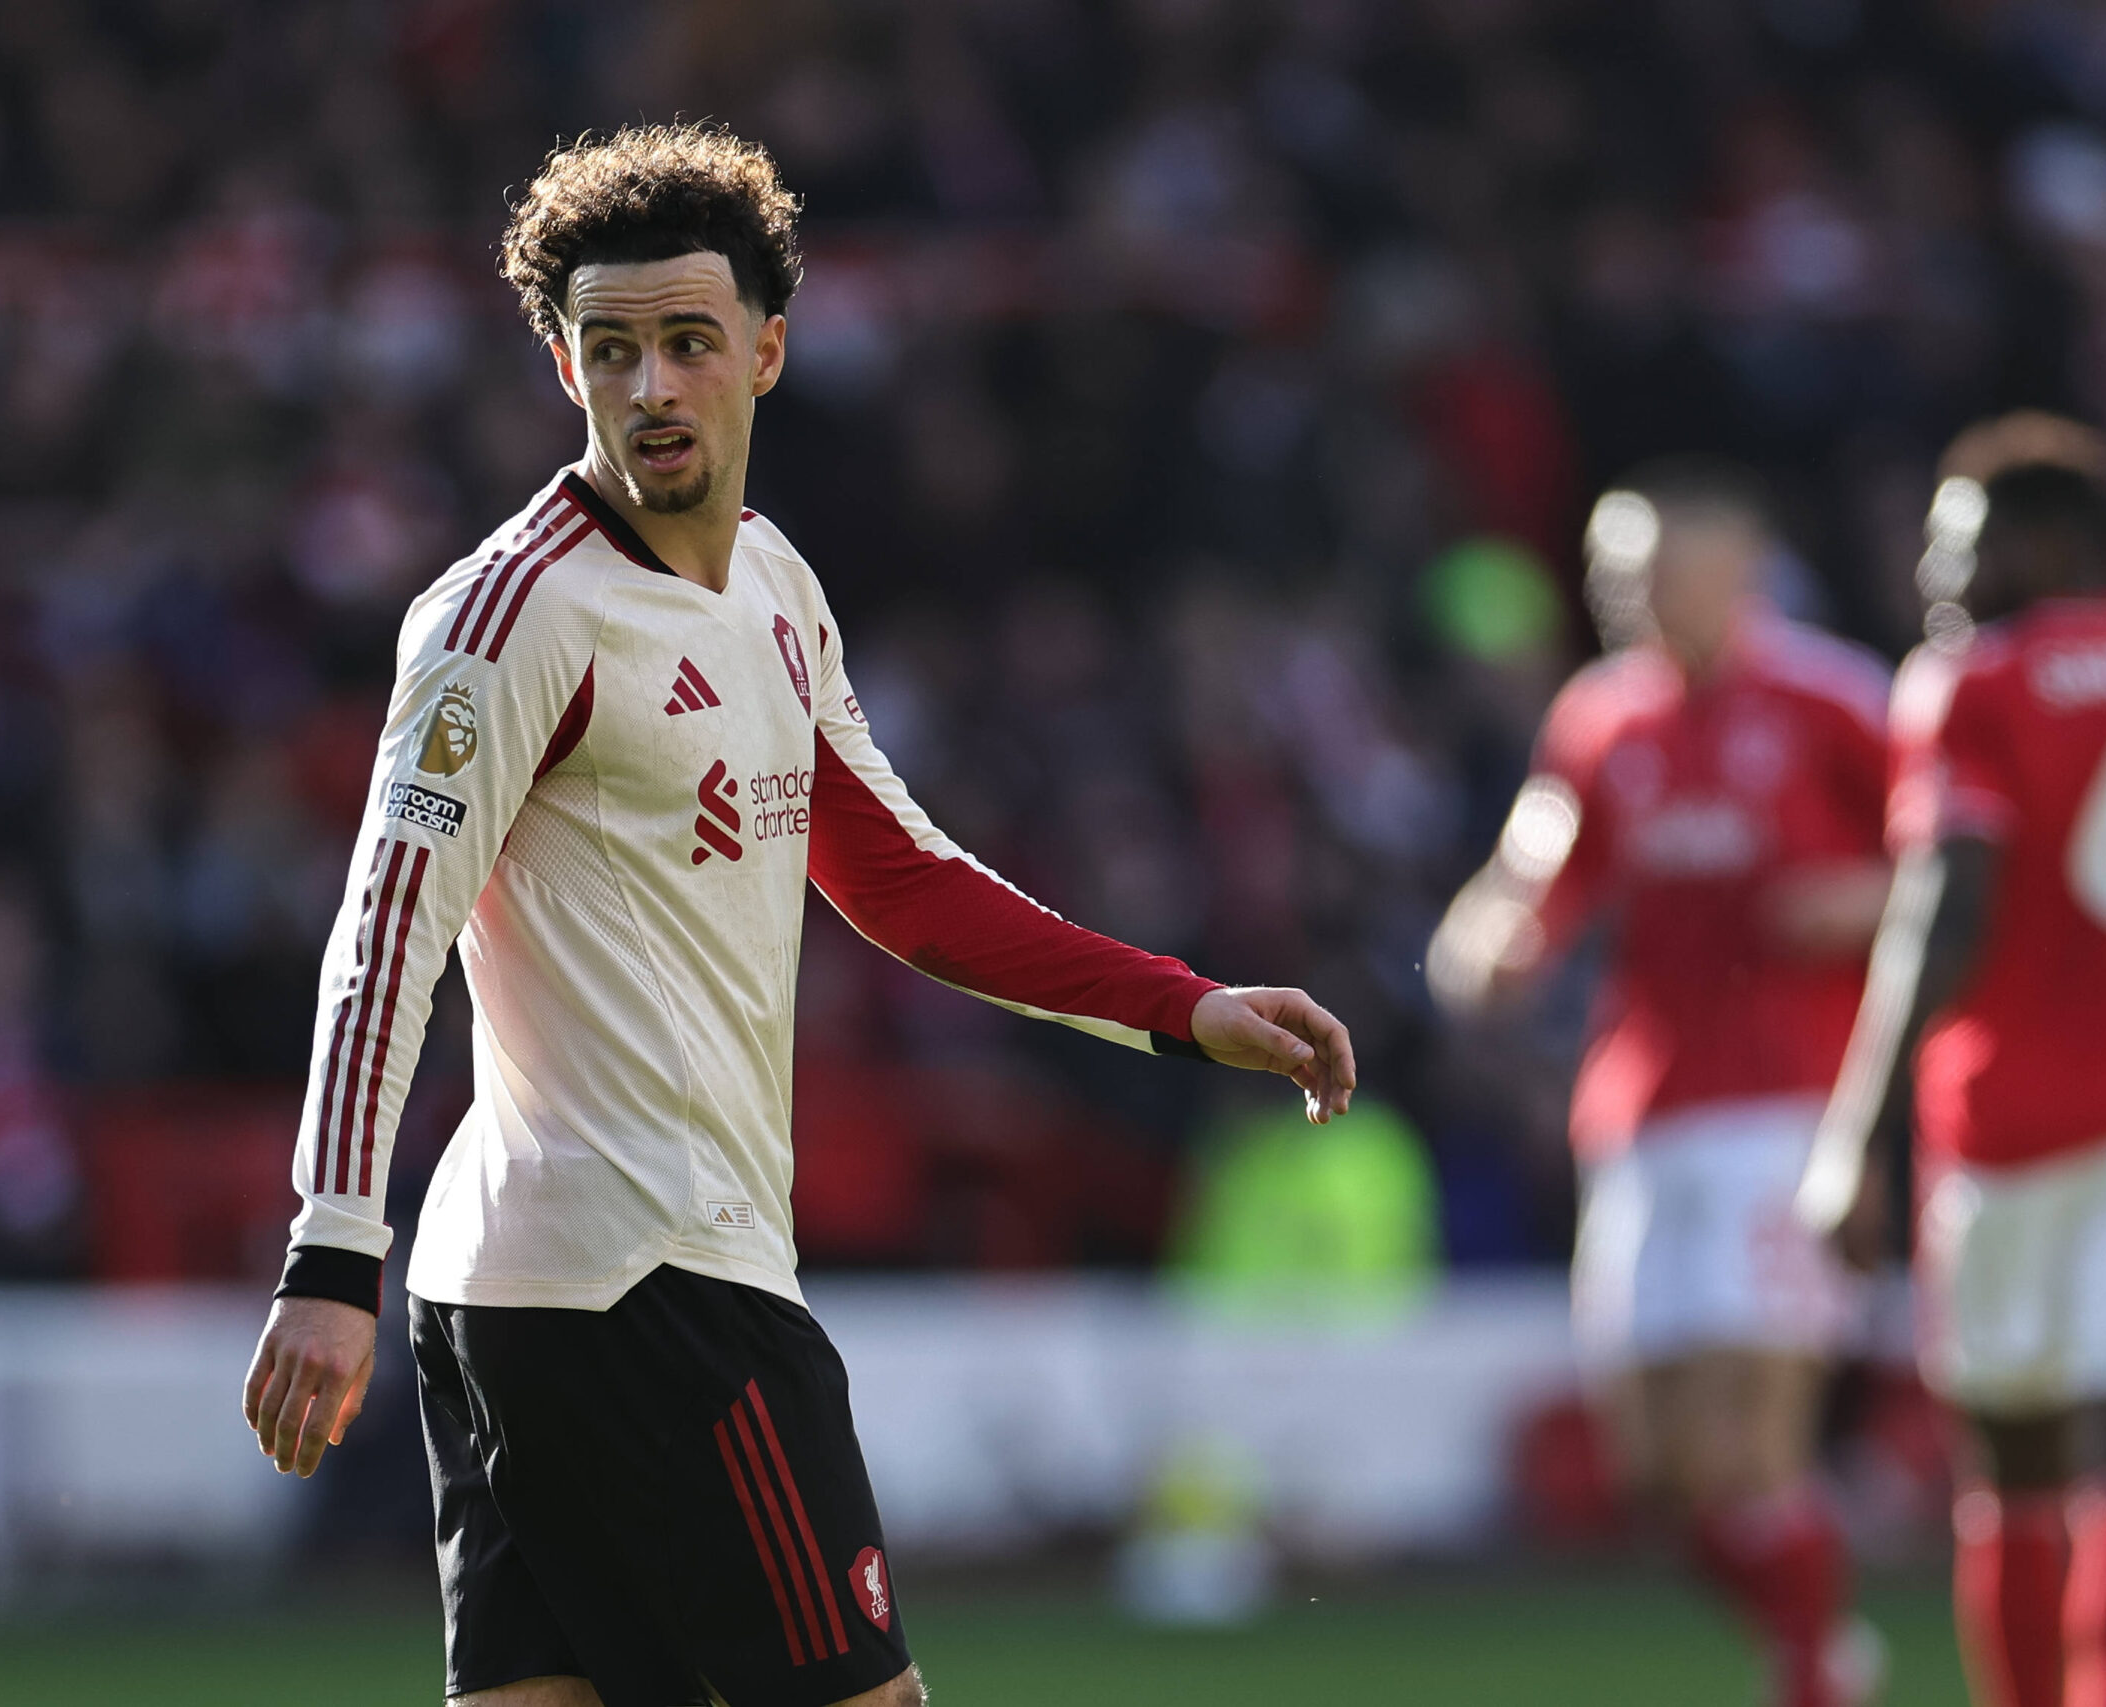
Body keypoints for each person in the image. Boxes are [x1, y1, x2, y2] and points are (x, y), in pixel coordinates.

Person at [237, 124, 1355, 1707]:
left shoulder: (772, 586)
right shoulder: (510, 616)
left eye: (689, 342)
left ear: (766, 349)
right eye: (610, 349)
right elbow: (384, 932)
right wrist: (331, 1246)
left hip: (548, 1288)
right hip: (647, 1275)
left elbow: (900, 876)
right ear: (562, 365)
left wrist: (1181, 1004)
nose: (652, 386)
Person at [1428, 460, 1892, 1707]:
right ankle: (1820, 1644)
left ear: (1740, 570)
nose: (1625, 596)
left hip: (1787, 1106)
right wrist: (1487, 941)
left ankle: (1812, 1673)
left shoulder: (1833, 699)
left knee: (1752, 1434)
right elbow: (1533, 875)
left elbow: (1953, 861)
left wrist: (1863, 899)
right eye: (1608, 574)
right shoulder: (1598, 718)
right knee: (1655, 1465)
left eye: (1653, 571)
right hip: (1639, 1107)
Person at [1800, 416, 2106, 1707]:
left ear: (2053, 544)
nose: (1934, 574)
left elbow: (1945, 910)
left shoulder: (1972, 681)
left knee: (2014, 1467)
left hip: (2008, 1130)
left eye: (1964, 545)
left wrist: (1856, 1133)